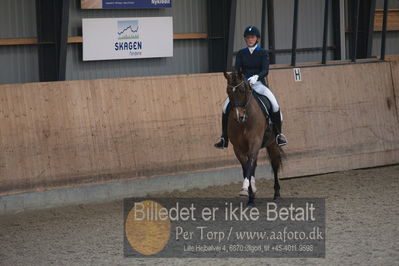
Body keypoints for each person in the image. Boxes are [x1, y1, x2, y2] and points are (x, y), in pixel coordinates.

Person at [214, 25, 287, 149]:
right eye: (247, 38)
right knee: (225, 107)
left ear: (257, 39)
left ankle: (279, 135)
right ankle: (224, 138)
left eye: (252, 37)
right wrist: (238, 78)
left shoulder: (263, 53)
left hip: (258, 84)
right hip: (243, 85)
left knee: (274, 105)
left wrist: (256, 77)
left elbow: (265, 70)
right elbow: (237, 69)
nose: (249, 40)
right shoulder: (241, 53)